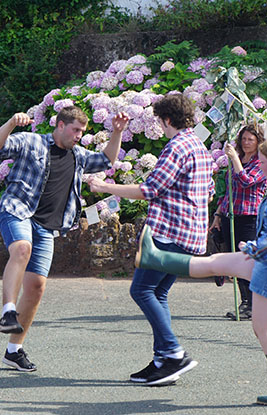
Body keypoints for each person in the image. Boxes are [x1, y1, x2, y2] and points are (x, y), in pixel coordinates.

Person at [135, 135, 267, 406]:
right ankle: (154, 257)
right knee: (217, 262)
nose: (259, 165)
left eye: (262, 161)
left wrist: (258, 247)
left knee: (264, 329)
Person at [0, 106, 128, 372]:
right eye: (75, 130)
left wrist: (117, 132)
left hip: (47, 226)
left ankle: (13, 351)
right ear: (60, 125)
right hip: (18, 211)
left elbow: (106, 160)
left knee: (37, 287)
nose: (79, 136)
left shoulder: (78, 155)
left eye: (82, 132)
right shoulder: (32, 141)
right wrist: (10, 121)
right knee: (21, 249)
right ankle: (8, 310)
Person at [88, 94, 214, 386]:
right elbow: (208, 191)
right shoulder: (199, 145)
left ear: (167, 120)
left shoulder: (177, 146)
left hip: (170, 233)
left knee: (142, 290)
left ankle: (173, 352)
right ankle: (163, 362)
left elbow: (150, 189)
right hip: (191, 234)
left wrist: (105, 186)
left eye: (159, 119)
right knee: (158, 293)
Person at [209, 124, 267, 320]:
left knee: (247, 259)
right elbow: (229, 190)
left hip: (249, 216)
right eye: (243, 139)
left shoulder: (261, 163)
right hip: (230, 213)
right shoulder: (239, 159)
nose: (246, 142)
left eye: (250, 139)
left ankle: (252, 304)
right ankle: (245, 302)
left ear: (258, 141)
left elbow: (246, 181)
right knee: (236, 260)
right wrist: (218, 214)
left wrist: (234, 159)